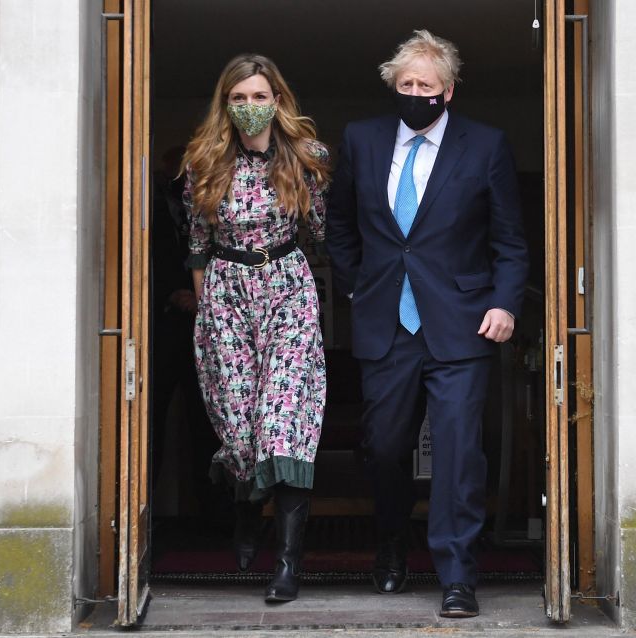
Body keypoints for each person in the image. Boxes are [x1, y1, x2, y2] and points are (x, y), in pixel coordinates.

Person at [326, 30, 529, 618]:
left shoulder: (485, 146)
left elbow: (510, 242)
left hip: (462, 324)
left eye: (426, 85)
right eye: (405, 84)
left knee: (460, 451)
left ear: (449, 91)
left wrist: (505, 304)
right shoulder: (363, 141)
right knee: (385, 448)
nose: (414, 93)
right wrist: (359, 283)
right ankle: (391, 545)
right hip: (386, 324)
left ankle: (458, 575)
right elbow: (339, 224)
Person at [181, 53, 331, 603]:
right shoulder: (205, 161)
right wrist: (208, 316)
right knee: (243, 432)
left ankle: (288, 565)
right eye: (238, 98)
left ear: (278, 101)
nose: (249, 107)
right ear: (226, 104)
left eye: (259, 97)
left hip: (287, 288)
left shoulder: (307, 159)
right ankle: (248, 513)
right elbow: (197, 244)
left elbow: (321, 236)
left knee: (283, 421)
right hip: (226, 294)